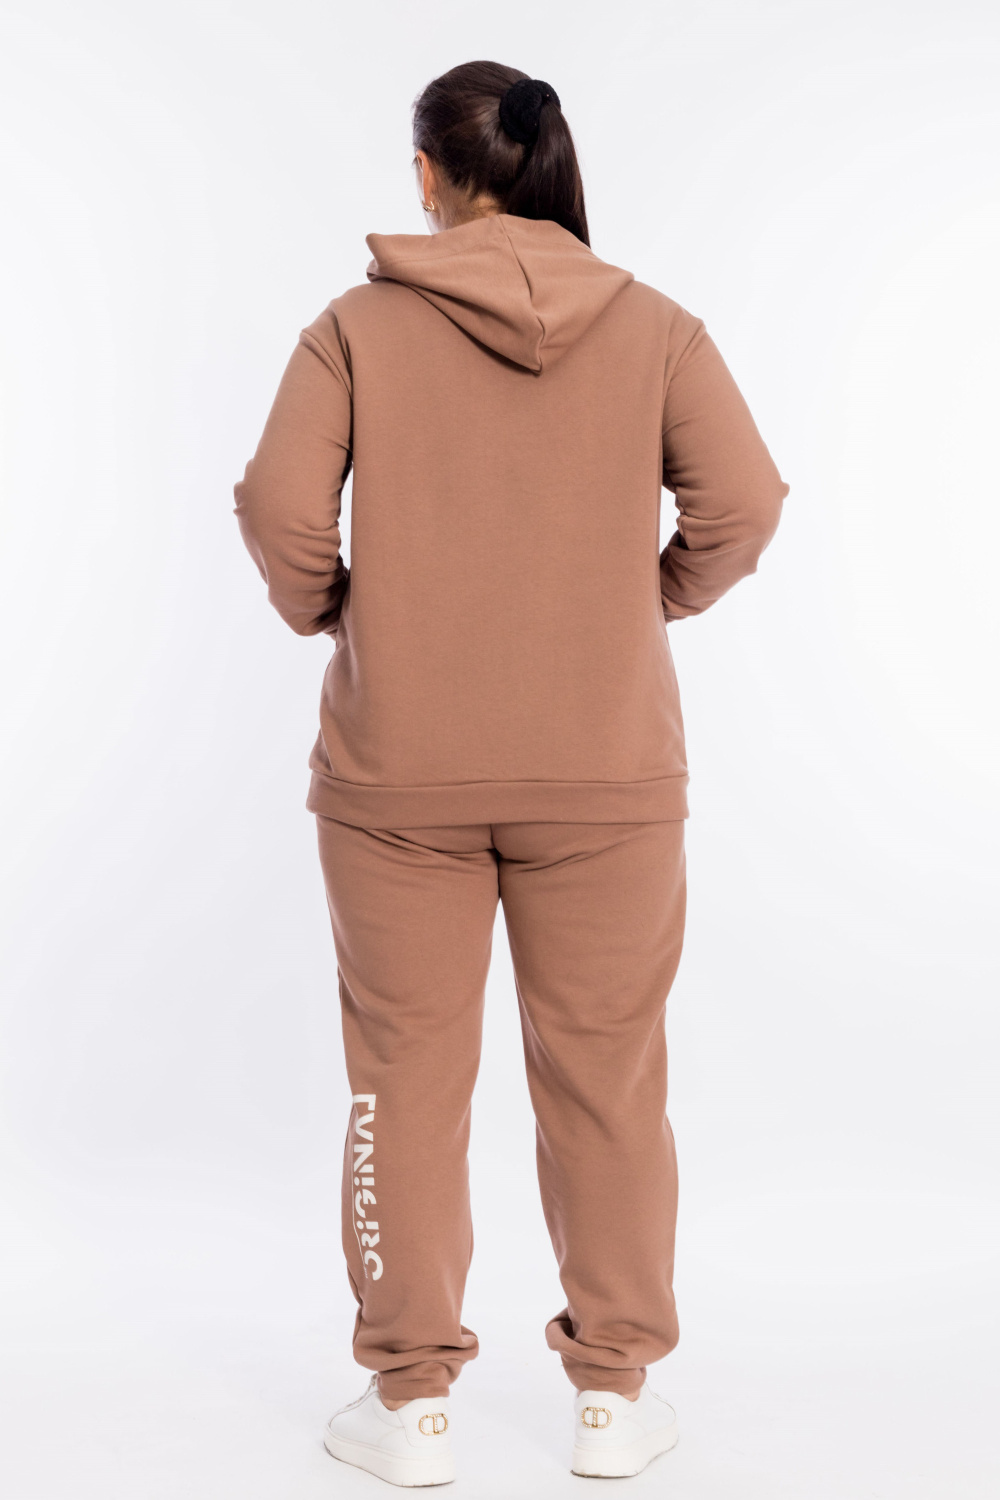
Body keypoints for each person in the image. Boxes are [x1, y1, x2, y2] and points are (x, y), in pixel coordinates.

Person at [234, 59, 788, 1488]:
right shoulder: (654, 327)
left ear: (428, 174)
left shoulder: (354, 329)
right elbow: (743, 503)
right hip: (605, 773)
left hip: (397, 778)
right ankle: (615, 1396)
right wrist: (643, 601)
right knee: (607, 1079)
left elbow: (279, 509)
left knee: (401, 1082)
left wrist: (337, 614)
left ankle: (411, 1403)